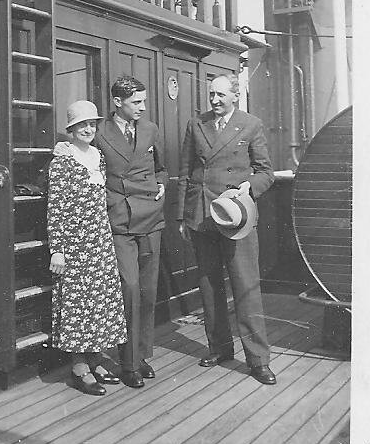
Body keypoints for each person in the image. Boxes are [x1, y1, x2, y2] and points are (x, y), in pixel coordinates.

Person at [177, 73, 277, 385]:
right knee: (209, 284)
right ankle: (219, 348)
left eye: (221, 95)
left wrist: (249, 187)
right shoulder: (197, 124)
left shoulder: (251, 124)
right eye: (212, 95)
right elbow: (185, 172)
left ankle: (258, 359)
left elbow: (266, 173)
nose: (215, 101)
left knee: (245, 287)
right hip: (202, 214)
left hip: (236, 217)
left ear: (236, 96)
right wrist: (183, 216)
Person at [48, 100, 127, 396]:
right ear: (70, 129)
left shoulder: (98, 156)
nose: (87, 129)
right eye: (81, 125)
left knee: (99, 301)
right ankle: (79, 365)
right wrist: (57, 248)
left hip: (99, 239)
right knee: (77, 303)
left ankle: (95, 359)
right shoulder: (63, 161)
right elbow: (55, 208)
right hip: (73, 242)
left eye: (91, 124)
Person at [94, 76, 168, 389]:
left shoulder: (149, 129)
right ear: (117, 102)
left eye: (143, 101)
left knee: (148, 290)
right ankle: (128, 363)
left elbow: (161, 167)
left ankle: (141, 355)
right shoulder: (99, 133)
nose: (142, 107)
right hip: (120, 220)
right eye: (136, 102)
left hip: (150, 217)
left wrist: (162, 183)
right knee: (129, 286)